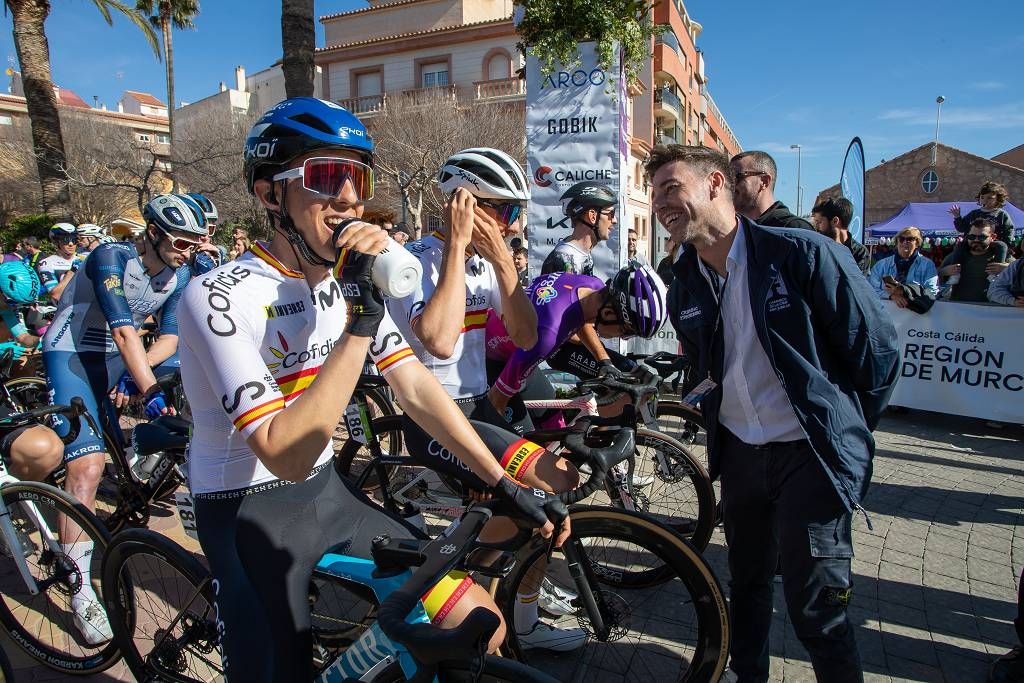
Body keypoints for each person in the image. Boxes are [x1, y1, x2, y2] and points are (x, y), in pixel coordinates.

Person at [181, 97, 567, 681]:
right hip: (243, 511)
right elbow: (287, 454)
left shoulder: (347, 283)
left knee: (477, 623)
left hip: (326, 496)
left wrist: (500, 480)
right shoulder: (218, 296)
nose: (348, 199)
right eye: (325, 178)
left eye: (356, 178)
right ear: (269, 195)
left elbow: (414, 387)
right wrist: (360, 322)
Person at [647, 144, 899, 683]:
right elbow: (706, 366)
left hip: (808, 458)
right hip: (740, 455)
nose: (660, 202)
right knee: (747, 588)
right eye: (654, 192)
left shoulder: (801, 255)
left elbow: (876, 355)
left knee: (817, 611)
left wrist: (842, 431)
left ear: (716, 183)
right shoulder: (685, 279)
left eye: (671, 187)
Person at [391, 147, 585, 650]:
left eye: (517, 212)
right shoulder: (412, 263)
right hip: (432, 416)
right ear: (462, 204)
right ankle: (465, 596)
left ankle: (512, 611)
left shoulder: (486, 265)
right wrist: (456, 248)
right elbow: (438, 339)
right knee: (540, 496)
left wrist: (503, 264)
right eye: (505, 210)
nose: (513, 223)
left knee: (557, 490)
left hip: (476, 408)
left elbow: (524, 337)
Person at [42, 194, 205, 644]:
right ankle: (79, 588)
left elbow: (169, 336)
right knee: (88, 467)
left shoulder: (181, 272)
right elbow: (122, 327)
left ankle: (94, 526)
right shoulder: (109, 255)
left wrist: (139, 380)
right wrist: (150, 386)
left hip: (118, 359)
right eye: (181, 242)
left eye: (194, 244)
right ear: (153, 232)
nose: (188, 252)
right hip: (73, 354)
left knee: (119, 462)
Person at [485, 263, 668, 423]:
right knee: (520, 451)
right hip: (492, 360)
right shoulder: (547, 334)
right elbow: (496, 401)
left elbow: (582, 319)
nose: (622, 338)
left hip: (518, 352)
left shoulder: (592, 288)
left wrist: (604, 361)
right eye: (625, 332)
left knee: (554, 426)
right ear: (609, 314)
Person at [0, 261, 64, 483]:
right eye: (12, 304)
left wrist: (44, 340)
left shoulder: (6, 308)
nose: (14, 309)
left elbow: (23, 338)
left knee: (26, 358)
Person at [540, 180, 617, 276]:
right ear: (592, 216)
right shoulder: (565, 258)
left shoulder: (580, 253)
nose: (614, 220)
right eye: (611, 214)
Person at [729, 151, 813, 230]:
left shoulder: (795, 229)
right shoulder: (736, 229)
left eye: (736, 176)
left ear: (764, 181)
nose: (730, 184)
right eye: (728, 178)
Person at [939, 219, 1010, 303]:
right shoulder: (956, 255)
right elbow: (935, 275)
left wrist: (1007, 268)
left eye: (982, 237)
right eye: (972, 237)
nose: (976, 240)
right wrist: (944, 271)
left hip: (991, 309)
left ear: (993, 237)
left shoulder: (1002, 256)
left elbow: (1019, 272)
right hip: (959, 307)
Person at [869, 226, 939, 306]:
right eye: (901, 239)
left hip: (917, 314)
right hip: (887, 312)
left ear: (917, 243)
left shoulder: (927, 265)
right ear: (897, 242)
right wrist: (891, 296)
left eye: (909, 239)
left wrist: (906, 293)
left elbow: (932, 292)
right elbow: (871, 289)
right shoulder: (881, 265)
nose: (905, 242)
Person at [812, 197, 869, 274]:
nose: (816, 227)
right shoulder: (818, 248)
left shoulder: (860, 253)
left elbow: (857, 283)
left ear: (835, 221)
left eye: (819, 222)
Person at [949, 181, 1015, 244]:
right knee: (959, 248)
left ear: (998, 199)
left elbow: (1009, 231)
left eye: (989, 198)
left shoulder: (1002, 215)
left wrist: (1007, 245)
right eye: (982, 197)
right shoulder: (974, 214)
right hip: (973, 245)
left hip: (993, 247)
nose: (985, 200)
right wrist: (957, 216)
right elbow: (961, 228)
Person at [184, 192, 226, 274]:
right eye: (199, 229)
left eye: (210, 229)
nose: (205, 237)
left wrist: (220, 267)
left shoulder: (216, 256)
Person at [36, 223, 78, 302]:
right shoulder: (46, 263)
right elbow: (56, 295)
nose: (71, 244)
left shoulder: (84, 258)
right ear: (56, 242)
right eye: (66, 240)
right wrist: (72, 271)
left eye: (74, 239)